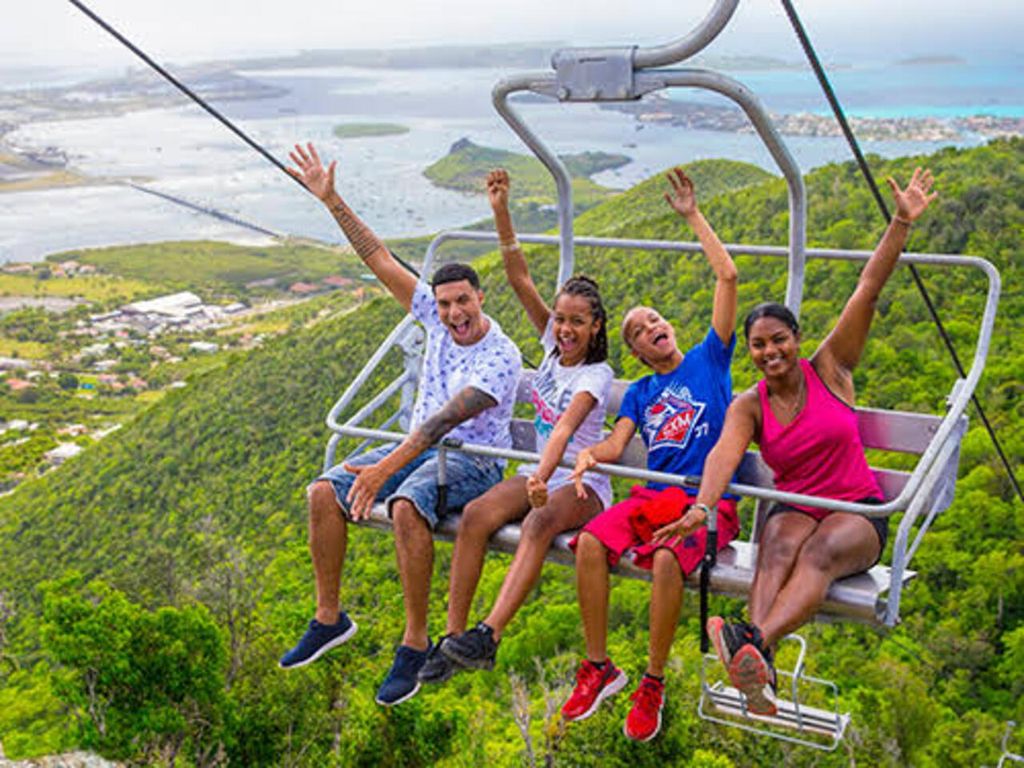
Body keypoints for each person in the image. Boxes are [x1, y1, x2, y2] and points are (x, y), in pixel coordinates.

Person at [680, 168, 937, 717]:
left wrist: (899, 222)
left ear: (797, 339)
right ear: (748, 350)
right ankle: (757, 664)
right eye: (757, 345)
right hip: (796, 505)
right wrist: (702, 506)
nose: (769, 352)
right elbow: (726, 453)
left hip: (855, 511)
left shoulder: (832, 369)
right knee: (774, 550)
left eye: (779, 340)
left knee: (817, 554)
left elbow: (867, 289)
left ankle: (753, 645)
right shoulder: (749, 404)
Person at [278, 143, 522, 708]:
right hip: (419, 452)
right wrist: (331, 199)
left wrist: (387, 465)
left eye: (464, 301)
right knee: (323, 491)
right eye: (444, 304)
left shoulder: (499, 355)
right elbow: (378, 256)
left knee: (408, 506)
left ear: (480, 298)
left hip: (472, 461)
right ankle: (329, 616)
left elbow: (442, 422)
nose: (455, 314)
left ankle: (414, 643)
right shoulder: (431, 319)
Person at [560, 168, 739, 742]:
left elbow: (728, 276)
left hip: (706, 502)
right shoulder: (641, 391)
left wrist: (692, 217)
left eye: (656, 318)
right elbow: (617, 442)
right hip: (652, 498)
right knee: (588, 542)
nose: (652, 326)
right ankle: (598, 665)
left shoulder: (710, 361)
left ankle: (653, 681)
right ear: (635, 350)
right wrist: (591, 457)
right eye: (640, 328)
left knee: (665, 561)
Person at [416, 169, 615, 685]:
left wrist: (543, 478)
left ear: (596, 327)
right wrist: (501, 210)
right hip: (540, 474)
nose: (565, 330)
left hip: (579, 482)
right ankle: (453, 634)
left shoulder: (595, 373)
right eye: (561, 321)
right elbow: (518, 278)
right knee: (479, 513)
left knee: (538, 523)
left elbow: (567, 428)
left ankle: (489, 634)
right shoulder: (553, 348)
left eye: (577, 322)